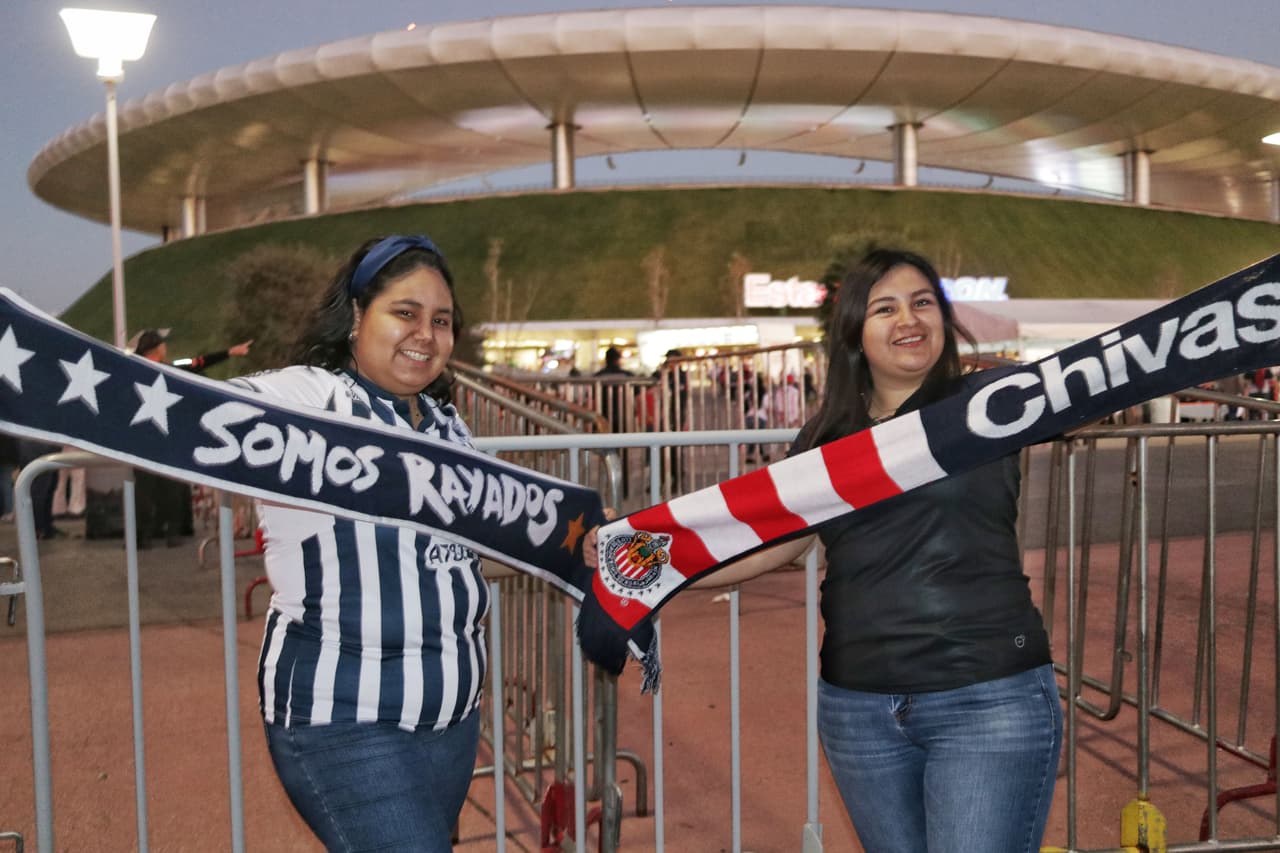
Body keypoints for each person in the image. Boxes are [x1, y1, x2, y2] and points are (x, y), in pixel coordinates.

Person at [684, 249, 1062, 853]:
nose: (907, 319)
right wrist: (641, 568)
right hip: (858, 711)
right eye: (884, 308)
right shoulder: (827, 437)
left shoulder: (990, 403)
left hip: (986, 698)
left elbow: (1105, 391)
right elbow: (774, 544)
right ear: (855, 332)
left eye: (922, 302)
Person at [228, 234, 488, 852]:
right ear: (354, 316)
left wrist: (571, 544)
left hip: (452, 720)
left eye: (441, 320)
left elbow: (462, 556)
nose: (425, 333)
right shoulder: (308, 399)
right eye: (405, 312)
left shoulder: (448, 427)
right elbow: (197, 414)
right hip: (342, 718)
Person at [128, 330, 254, 546]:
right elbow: (198, 363)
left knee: (143, 488)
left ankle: (143, 536)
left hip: (140, 438)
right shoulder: (170, 370)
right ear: (158, 349)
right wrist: (230, 352)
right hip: (166, 438)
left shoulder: (131, 370)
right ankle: (172, 532)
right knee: (171, 487)